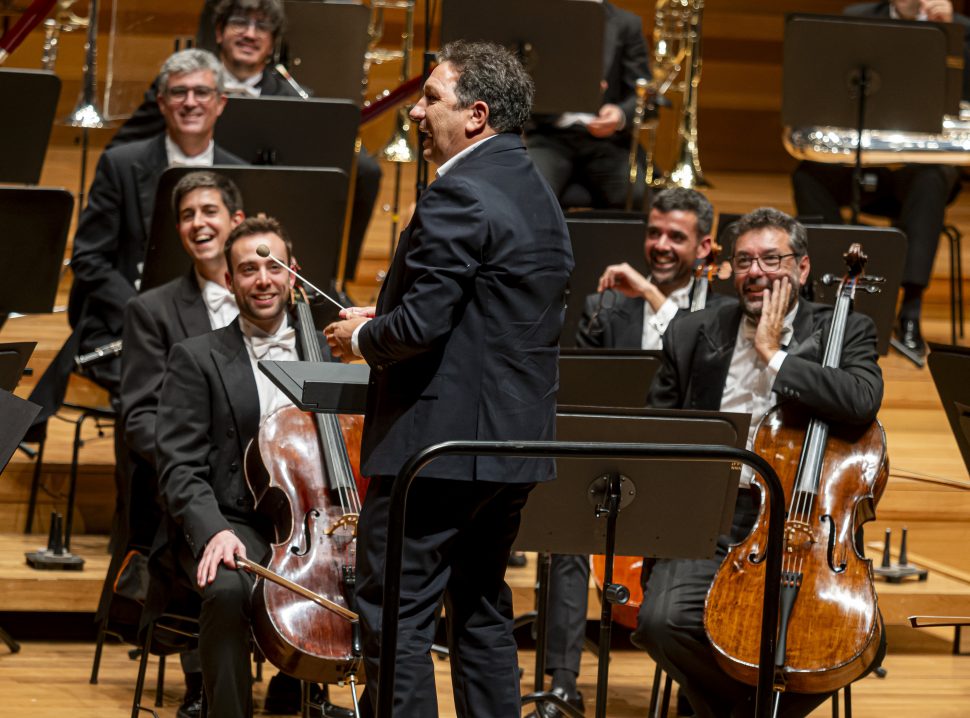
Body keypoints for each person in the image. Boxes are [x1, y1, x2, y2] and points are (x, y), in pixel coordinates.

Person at [324, 40, 574, 716]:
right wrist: (394, 312)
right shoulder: (537, 192)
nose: (415, 113)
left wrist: (365, 334)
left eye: (430, 97)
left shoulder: (457, 193)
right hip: (512, 449)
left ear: (476, 114)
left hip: (437, 454)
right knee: (482, 608)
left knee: (395, 614)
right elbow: (487, 311)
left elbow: (418, 330)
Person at [631, 207, 884, 718]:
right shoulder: (693, 332)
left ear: (803, 268)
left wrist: (774, 356)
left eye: (772, 259)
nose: (757, 272)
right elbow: (657, 434)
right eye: (744, 261)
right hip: (709, 516)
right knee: (661, 623)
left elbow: (861, 399)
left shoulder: (844, 328)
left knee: (845, 641)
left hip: (803, 523)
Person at [532, 187, 728, 717]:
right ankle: (562, 683)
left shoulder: (722, 314)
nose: (661, 245)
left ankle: (696, 689)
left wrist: (652, 297)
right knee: (562, 529)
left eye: (677, 237)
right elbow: (584, 397)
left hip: (686, 475)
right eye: (654, 232)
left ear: (706, 247)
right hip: (613, 464)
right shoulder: (604, 307)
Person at [152, 217, 345, 718]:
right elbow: (177, 467)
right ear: (228, 281)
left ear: (293, 274)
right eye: (247, 270)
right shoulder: (196, 358)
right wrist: (212, 530)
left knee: (383, 586)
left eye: (273, 266)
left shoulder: (329, 354)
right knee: (228, 589)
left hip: (317, 522)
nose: (263, 279)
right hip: (234, 519)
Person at [27, 48, 243, 430]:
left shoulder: (240, 173)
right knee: (160, 393)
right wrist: (147, 313)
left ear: (221, 103)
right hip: (129, 322)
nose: (190, 102)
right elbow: (89, 259)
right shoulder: (122, 164)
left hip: (217, 320)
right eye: (178, 93)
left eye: (201, 92)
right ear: (161, 103)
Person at [110, 0, 383, 284]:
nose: (250, 34)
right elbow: (121, 152)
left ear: (273, 41)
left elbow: (355, 168)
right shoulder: (184, 89)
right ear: (219, 32)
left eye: (262, 26)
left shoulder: (295, 102)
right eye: (239, 22)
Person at [113, 171, 244, 718]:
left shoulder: (279, 290)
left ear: (237, 221)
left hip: (271, 479)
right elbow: (139, 416)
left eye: (209, 211)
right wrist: (190, 463)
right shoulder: (154, 310)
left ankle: (298, 667)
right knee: (199, 505)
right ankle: (201, 677)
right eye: (187, 215)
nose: (198, 223)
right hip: (193, 478)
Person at [791, 0, 970, 356]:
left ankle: (910, 311)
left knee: (933, 179)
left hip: (919, 171)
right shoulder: (857, 20)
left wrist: (950, 38)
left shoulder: (961, 30)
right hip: (863, 163)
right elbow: (827, 90)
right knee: (807, 176)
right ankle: (832, 297)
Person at [526, 0, 650, 209]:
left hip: (607, 142)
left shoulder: (626, 24)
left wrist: (619, 115)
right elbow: (523, 80)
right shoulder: (541, 20)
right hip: (550, 136)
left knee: (634, 195)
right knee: (529, 192)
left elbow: (643, 94)